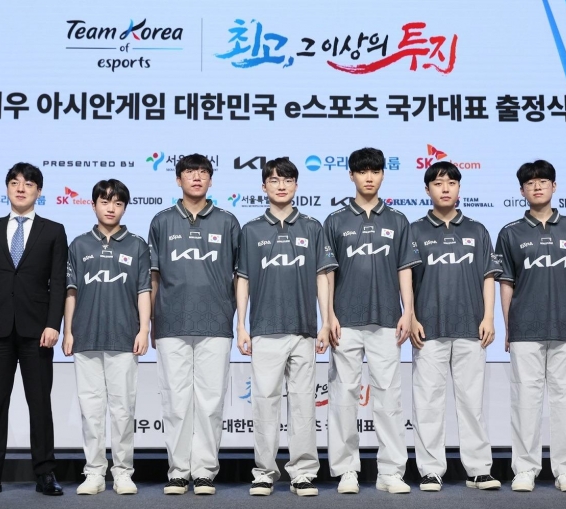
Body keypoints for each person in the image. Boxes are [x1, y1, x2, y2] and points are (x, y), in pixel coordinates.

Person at [0, 163, 67, 497]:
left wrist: (54, 324)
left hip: (37, 331)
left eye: (29, 184)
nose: (21, 188)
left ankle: (45, 473)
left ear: (38, 192)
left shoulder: (53, 231)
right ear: (7, 188)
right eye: (15, 183)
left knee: (40, 404)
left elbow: (58, 283)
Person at [235, 158, 338, 497]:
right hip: (264, 330)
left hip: (304, 329)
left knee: (304, 404)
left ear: (296, 185)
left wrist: (326, 321)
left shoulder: (312, 226)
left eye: (288, 180)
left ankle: (303, 473)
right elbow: (243, 279)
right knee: (265, 403)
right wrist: (241, 326)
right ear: (263, 186)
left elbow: (323, 277)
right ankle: (264, 472)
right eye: (275, 180)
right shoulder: (251, 230)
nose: (281, 185)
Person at [495, 160, 566, 493]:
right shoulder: (510, 232)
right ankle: (525, 469)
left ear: (554, 186)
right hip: (525, 329)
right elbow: (506, 284)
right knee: (525, 400)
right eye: (530, 183)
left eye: (543, 181)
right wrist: (509, 326)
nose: (537, 187)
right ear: (521, 191)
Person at [323, 147, 421, 494]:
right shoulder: (335, 220)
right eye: (362, 171)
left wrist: (408, 311)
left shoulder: (397, 220)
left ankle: (391, 472)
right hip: (345, 323)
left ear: (382, 175)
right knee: (343, 397)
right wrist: (329, 316)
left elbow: (405, 269)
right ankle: (346, 470)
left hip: (387, 321)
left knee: (389, 398)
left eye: (375, 171)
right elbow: (327, 273)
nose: (369, 177)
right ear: (351, 175)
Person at [148, 154, 241, 495]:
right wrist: (151, 321)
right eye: (189, 172)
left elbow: (240, 277)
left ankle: (203, 471)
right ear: (179, 180)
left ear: (211, 180)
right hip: (171, 322)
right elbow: (153, 276)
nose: (197, 177)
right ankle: (177, 471)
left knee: (210, 402)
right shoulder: (161, 221)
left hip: (215, 322)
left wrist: (237, 319)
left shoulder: (228, 221)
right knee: (175, 401)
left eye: (203, 172)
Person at [409, 161, 502, 492]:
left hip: (470, 328)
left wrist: (489, 317)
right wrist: (411, 316)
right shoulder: (414, 230)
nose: (445, 188)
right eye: (438, 183)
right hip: (428, 330)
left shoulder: (477, 230)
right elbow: (405, 279)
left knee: (472, 404)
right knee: (428, 403)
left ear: (459, 188)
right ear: (427, 190)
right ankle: (430, 470)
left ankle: (478, 469)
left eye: (451, 182)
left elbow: (489, 276)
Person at [62, 179, 151, 495]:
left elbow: (144, 290)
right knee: (91, 410)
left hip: (124, 338)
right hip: (85, 337)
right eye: (104, 201)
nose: (111, 208)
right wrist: (68, 330)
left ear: (124, 208)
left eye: (117, 203)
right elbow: (70, 292)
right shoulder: (79, 245)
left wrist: (143, 329)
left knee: (123, 409)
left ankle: (123, 472)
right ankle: (94, 473)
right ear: (93, 205)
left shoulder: (137, 245)